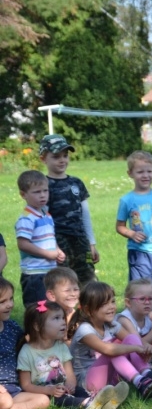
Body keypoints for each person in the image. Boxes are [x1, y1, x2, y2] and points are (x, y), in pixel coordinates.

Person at [68, 282, 152, 400]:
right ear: (88, 310)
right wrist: (137, 348)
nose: (111, 307)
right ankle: (139, 382)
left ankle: (146, 374)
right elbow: (108, 350)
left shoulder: (112, 325)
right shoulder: (85, 329)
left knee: (131, 338)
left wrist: (146, 348)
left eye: (112, 301)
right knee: (112, 350)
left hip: (110, 377)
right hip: (88, 383)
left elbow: (133, 340)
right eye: (104, 304)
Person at [18, 300, 130, 408]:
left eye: (62, 317)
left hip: (64, 388)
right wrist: (48, 390)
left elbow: (70, 374)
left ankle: (98, 400)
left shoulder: (61, 347)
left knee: (80, 390)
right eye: (56, 318)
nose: (63, 322)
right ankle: (88, 404)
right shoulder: (26, 352)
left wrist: (70, 384)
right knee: (62, 399)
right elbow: (26, 385)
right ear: (37, 326)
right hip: (46, 392)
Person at [39, 134, 98, 287]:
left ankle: (88, 310)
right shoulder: (43, 185)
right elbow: (43, 217)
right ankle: (64, 311)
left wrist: (91, 243)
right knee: (63, 281)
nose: (62, 160)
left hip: (80, 239)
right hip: (59, 240)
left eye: (65, 156)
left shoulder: (76, 183)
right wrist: (52, 245)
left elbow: (85, 215)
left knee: (88, 279)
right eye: (56, 156)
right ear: (43, 158)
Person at [115, 151, 152, 295]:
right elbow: (119, 226)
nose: (146, 175)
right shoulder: (127, 200)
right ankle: (141, 316)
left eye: (149, 171)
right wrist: (132, 234)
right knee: (140, 290)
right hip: (140, 252)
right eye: (140, 172)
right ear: (130, 173)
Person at [15, 170, 66, 307]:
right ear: (23, 194)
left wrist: (57, 250)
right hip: (35, 274)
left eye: (45, 190)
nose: (42, 195)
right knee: (38, 309)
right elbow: (23, 244)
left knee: (52, 307)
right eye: (37, 192)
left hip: (49, 271)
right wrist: (48, 254)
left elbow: (50, 237)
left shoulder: (46, 214)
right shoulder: (27, 218)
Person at [0, 277, 51, 409]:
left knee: (43, 400)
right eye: (2, 301)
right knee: (5, 402)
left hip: (13, 389)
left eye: (11, 299)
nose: (10, 304)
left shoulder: (11, 326)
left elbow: (28, 341)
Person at [116, 279, 152, 352]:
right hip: (122, 356)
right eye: (142, 299)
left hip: (138, 356)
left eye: (150, 299)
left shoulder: (150, 316)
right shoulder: (124, 319)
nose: (147, 302)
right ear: (128, 302)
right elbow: (138, 345)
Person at [44, 267, 81, 343]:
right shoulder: (46, 317)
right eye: (67, 290)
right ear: (52, 295)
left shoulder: (79, 316)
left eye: (76, 289)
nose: (73, 294)